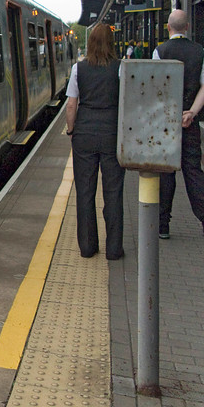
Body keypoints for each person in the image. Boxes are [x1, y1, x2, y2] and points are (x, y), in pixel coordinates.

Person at [65, 23, 125, 259]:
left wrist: (71, 131)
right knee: (114, 192)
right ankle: (113, 249)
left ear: (89, 43)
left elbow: (72, 104)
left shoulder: (78, 69)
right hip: (112, 134)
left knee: (85, 191)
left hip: (85, 135)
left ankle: (88, 247)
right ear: (112, 43)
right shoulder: (121, 68)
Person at [151, 9, 204, 238]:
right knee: (193, 172)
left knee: (166, 173)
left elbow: (154, 89)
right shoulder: (200, 51)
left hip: (165, 124)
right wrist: (191, 112)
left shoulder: (159, 51)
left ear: (168, 28)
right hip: (189, 124)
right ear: (188, 27)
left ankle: (163, 225)